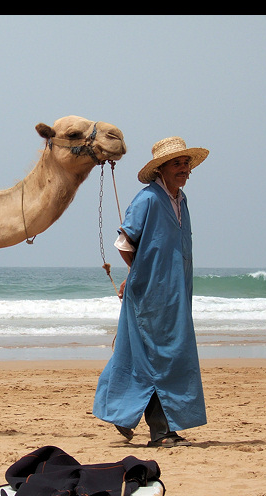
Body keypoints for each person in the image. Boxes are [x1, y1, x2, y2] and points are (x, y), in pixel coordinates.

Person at [94, 137, 209, 447]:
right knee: (162, 358)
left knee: (139, 356)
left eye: (186, 163)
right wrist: (138, 275)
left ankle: (122, 414)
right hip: (150, 296)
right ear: (162, 168)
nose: (183, 168)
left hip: (177, 294)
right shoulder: (148, 199)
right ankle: (161, 431)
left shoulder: (181, 201)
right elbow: (125, 242)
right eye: (177, 164)